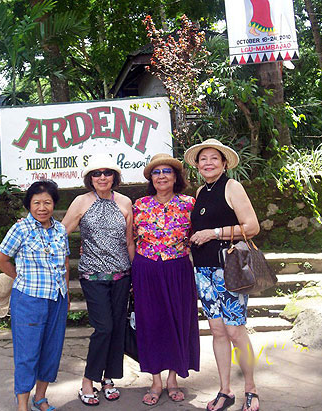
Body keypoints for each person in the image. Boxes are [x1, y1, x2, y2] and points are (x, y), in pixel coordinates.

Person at [185, 139, 260, 411]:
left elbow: (252, 227)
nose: (208, 163)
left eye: (214, 158)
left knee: (235, 331)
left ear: (224, 163)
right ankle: (225, 391)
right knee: (217, 330)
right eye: (203, 158)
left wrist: (214, 233)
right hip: (203, 270)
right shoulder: (200, 192)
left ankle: (251, 389)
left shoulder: (232, 187)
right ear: (197, 165)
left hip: (228, 270)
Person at [61, 153, 134, 406]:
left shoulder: (125, 202)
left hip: (122, 275)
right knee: (103, 328)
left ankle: (109, 378)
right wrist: (32, 228)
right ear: (89, 178)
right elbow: (61, 233)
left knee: (117, 328)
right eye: (97, 173)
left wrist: (135, 273)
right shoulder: (82, 202)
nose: (102, 177)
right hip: (93, 276)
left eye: (107, 173)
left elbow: (129, 241)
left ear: (115, 177)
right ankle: (88, 380)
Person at [0, 180, 69, 411]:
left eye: (47, 202)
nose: (42, 207)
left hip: (57, 298)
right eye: (37, 202)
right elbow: (0, 259)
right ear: (29, 205)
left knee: (51, 350)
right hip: (28, 299)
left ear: (54, 204)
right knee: (27, 353)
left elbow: (65, 261)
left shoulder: (60, 230)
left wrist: (65, 294)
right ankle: (23, 405)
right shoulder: (20, 229)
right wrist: (20, 277)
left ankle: (41, 398)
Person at [132, 153, 200, 406]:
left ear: (175, 177)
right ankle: (155, 380)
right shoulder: (139, 204)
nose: (161, 176)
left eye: (167, 172)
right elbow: (129, 238)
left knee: (178, 321)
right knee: (151, 323)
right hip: (146, 268)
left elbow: (200, 233)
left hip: (177, 268)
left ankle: (173, 378)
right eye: (157, 172)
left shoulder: (189, 203)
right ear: (151, 178)